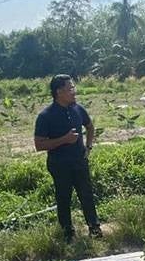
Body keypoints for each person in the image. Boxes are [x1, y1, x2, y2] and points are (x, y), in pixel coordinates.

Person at [33, 74, 101, 242]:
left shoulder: (78, 109)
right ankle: (67, 232)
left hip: (79, 160)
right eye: (70, 88)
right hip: (59, 165)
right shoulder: (46, 116)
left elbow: (90, 127)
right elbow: (39, 145)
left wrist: (88, 147)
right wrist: (64, 139)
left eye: (73, 88)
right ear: (59, 92)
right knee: (63, 198)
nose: (74, 92)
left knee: (86, 194)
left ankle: (94, 227)